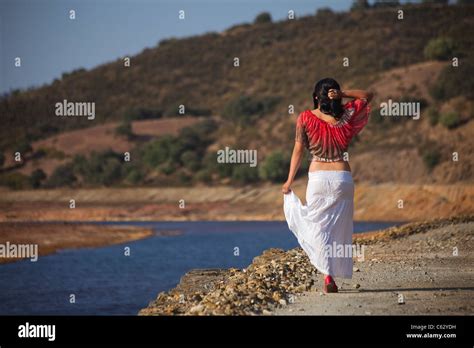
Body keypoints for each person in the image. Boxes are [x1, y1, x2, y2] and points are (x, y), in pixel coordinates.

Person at [282, 77, 373, 293]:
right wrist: (342, 95)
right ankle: (332, 271)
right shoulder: (346, 115)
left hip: (319, 179)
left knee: (318, 227)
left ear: (315, 97)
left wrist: (289, 181)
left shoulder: (305, 117)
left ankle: (328, 275)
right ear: (334, 95)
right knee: (339, 229)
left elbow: (298, 151)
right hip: (343, 179)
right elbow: (368, 95)